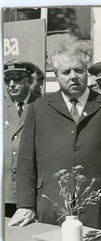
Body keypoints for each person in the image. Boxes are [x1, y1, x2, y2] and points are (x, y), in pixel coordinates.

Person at [8, 37, 101, 231]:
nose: (73, 76)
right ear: (56, 75)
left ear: (86, 73)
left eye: (79, 70)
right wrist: (26, 205)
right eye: (66, 72)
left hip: (96, 208)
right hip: (50, 205)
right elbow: (26, 162)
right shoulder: (38, 109)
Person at [3, 60, 41, 217]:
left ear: (30, 81)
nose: (11, 84)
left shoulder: (42, 105)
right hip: (3, 193)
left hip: (33, 194)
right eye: (7, 79)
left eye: (17, 78)